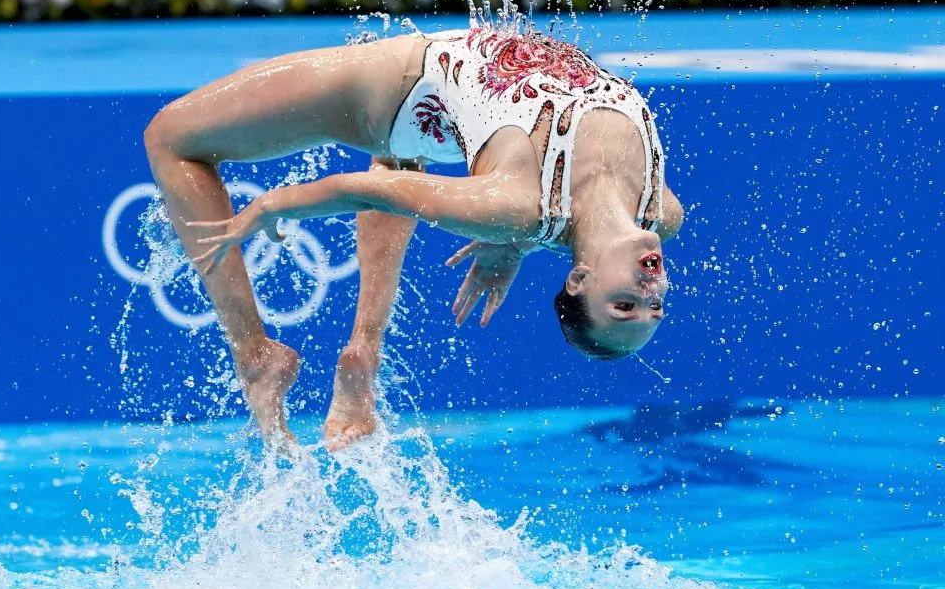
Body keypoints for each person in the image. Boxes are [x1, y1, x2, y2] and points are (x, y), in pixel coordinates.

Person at [143, 23, 684, 449]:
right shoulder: (658, 208)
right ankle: (364, 349)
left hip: (403, 92)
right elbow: (566, 222)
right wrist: (513, 244)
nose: (648, 294)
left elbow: (373, 190)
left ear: (581, 279)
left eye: (623, 306)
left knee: (170, 136)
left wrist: (269, 205)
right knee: (406, 160)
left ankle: (254, 356)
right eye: (653, 310)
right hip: (464, 120)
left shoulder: (513, 206)